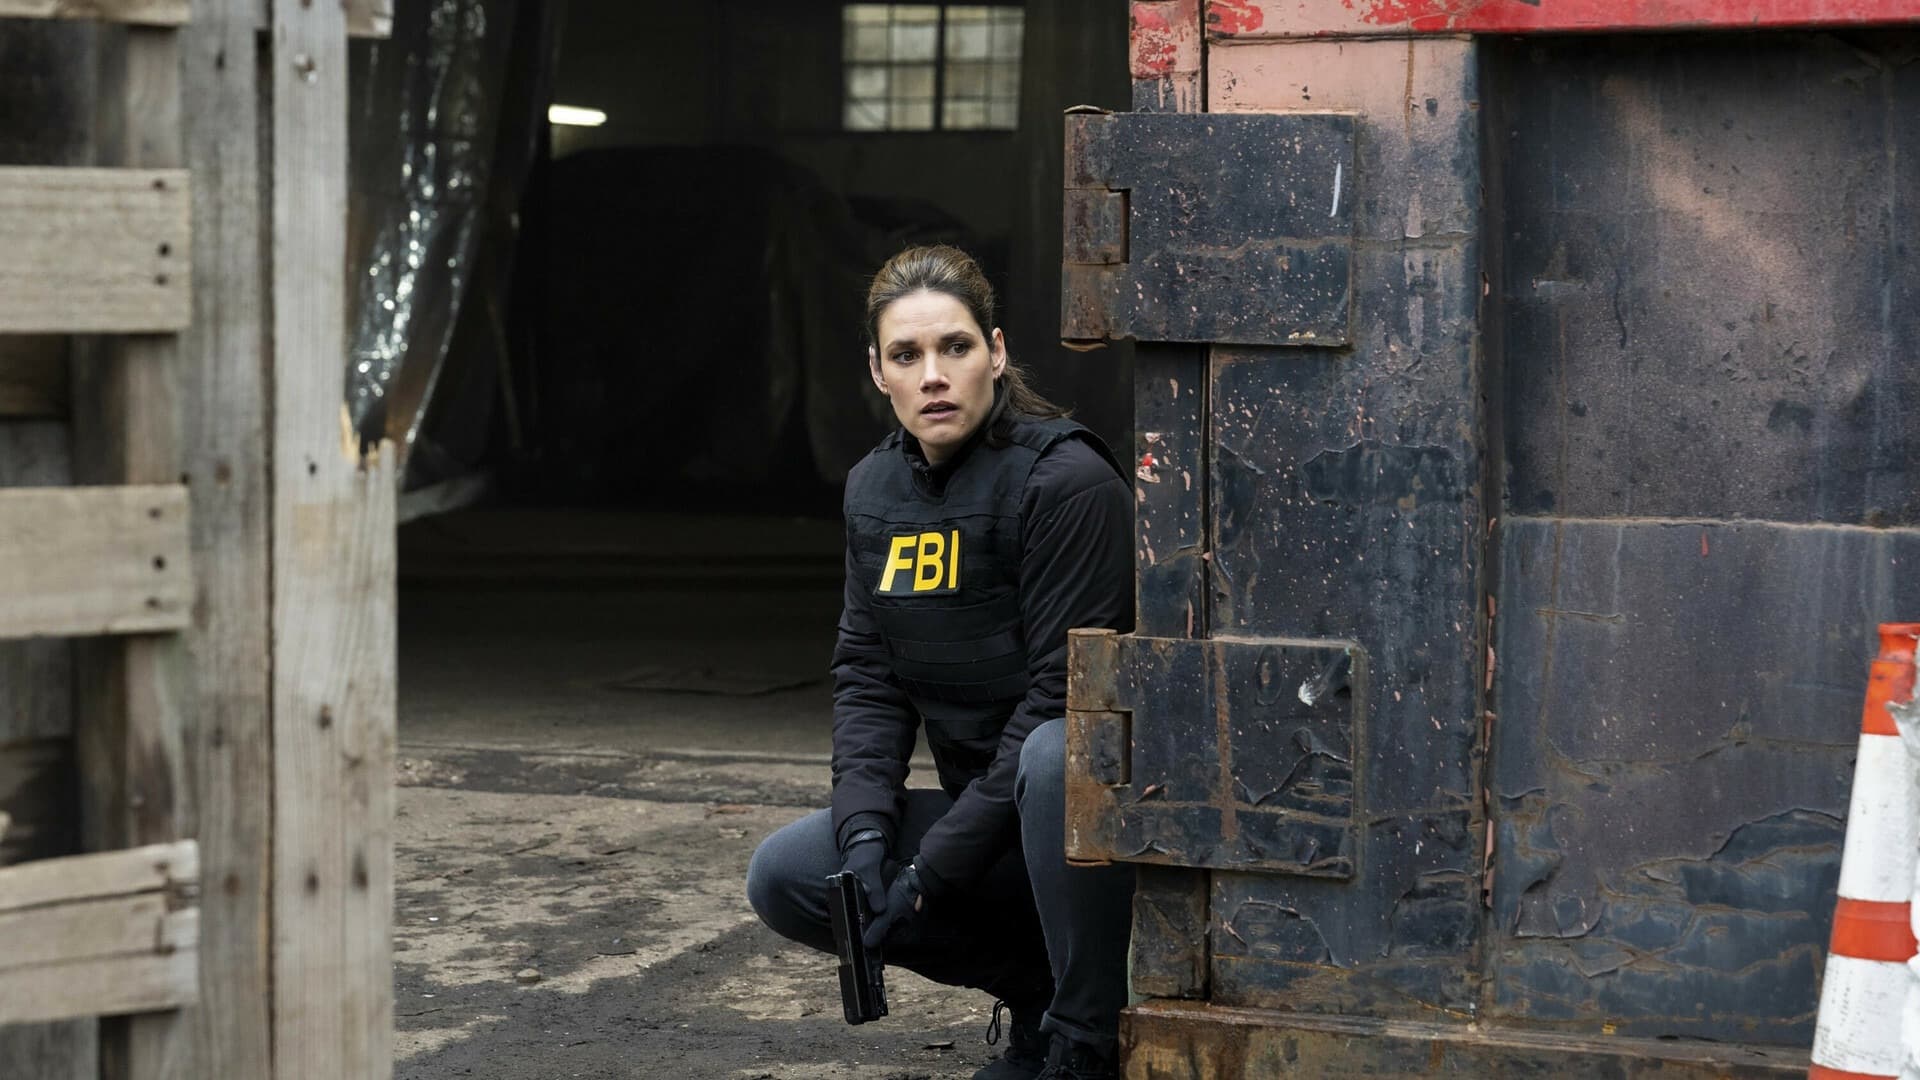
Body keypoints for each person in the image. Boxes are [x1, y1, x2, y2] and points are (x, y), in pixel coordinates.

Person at [745, 245, 1136, 1080]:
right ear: (877, 372)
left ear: (995, 352)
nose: (932, 376)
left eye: (954, 347)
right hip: (984, 825)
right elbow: (868, 678)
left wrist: (931, 870)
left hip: (1099, 840)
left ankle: (1086, 1044)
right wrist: (864, 841)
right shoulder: (872, 491)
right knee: (789, 874)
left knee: (1052, 751)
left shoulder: (1067, 482)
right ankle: (1038, 1002)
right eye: (906, 354)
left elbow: (1057, 700)